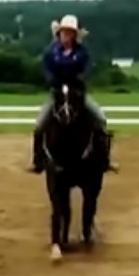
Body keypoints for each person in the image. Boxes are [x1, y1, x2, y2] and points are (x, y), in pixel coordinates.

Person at [29, 15, 111, 173]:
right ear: (59, 33)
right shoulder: (51, 52)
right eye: (64, 32)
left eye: (70, 32)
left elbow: (87, 69)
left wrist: (79, 80)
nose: (67, 35)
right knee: (39, 125)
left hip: (77, 93)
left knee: (100, 119)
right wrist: (52, 80)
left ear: (75, 35)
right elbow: (46, 68)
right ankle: (37, 160)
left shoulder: (82, 52)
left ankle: (105, 159)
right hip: (57, 93)